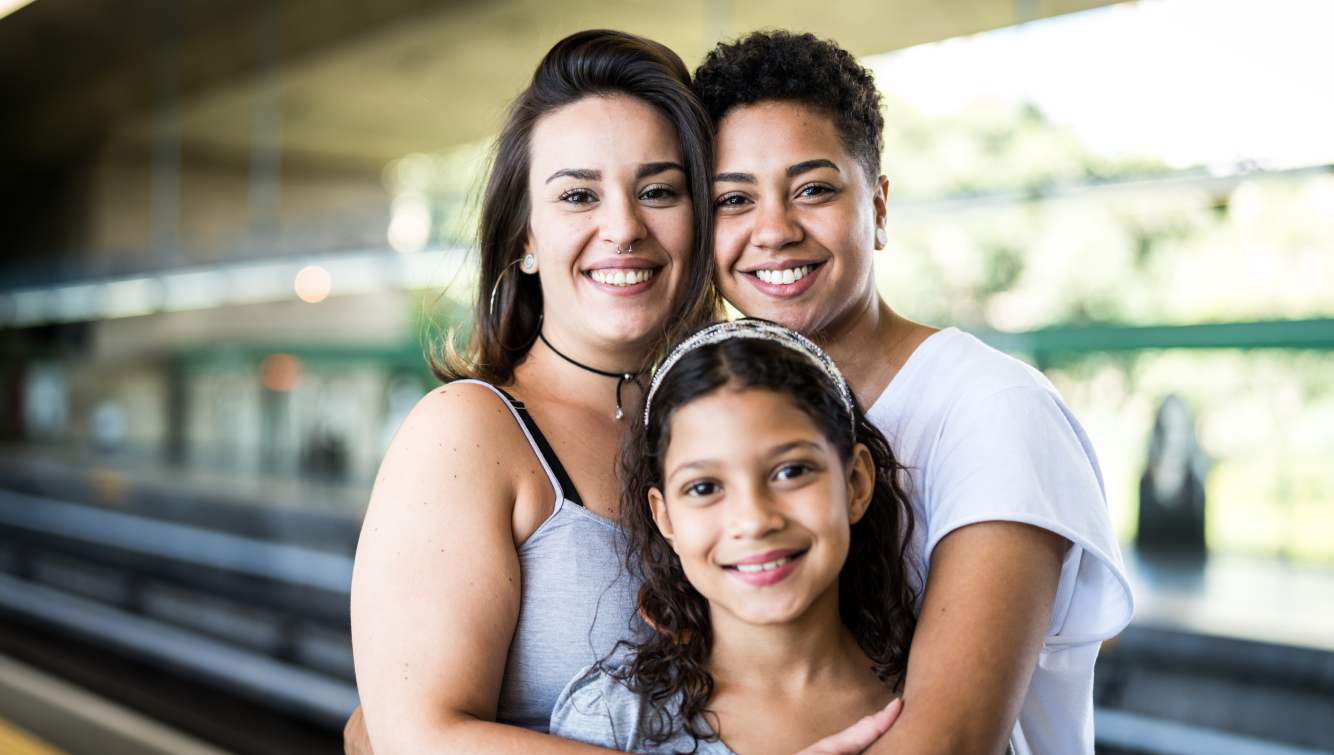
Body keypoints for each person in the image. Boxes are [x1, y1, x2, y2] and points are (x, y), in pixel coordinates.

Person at [347, 30, 898, 755]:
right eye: (578, 194)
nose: (623, 228)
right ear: (525, 237)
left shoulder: (735, 412)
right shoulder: (468, 431)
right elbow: (410, 736)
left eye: (659, 191)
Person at [694, 31, 1133, 755]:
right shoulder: (715, 423)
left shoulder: (992, 408)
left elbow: (947, 740)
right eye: (733, 199)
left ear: (879, 206)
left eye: (813, 189)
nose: (772, 230)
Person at [549, 320, 925, 754]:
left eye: (791, 471)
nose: (754, 520)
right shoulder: (615, 718)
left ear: (856, 483)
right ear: (666, 518)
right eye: (705, 487)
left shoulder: (945, 699)